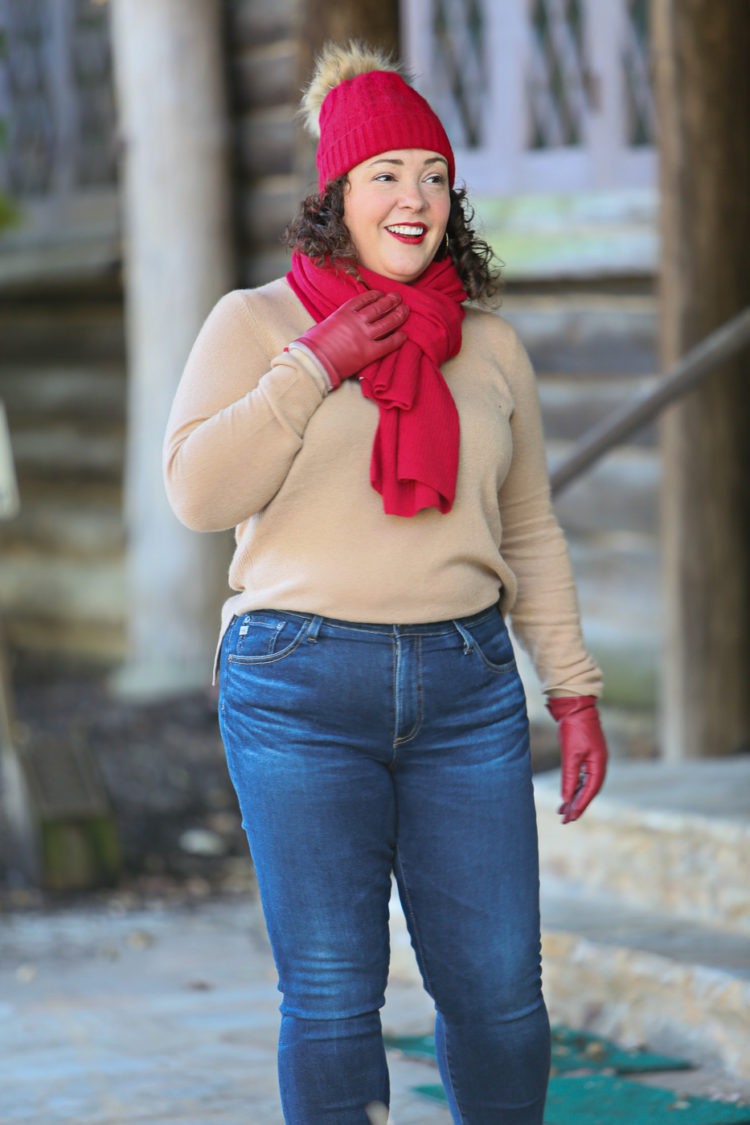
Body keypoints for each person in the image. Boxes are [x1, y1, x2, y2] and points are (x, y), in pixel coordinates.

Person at [163, 41, 607, 1125]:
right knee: (329, 997)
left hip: (465, 687)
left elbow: (532, 528)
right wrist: (314, 365)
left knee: (502, 994)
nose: (413, 199)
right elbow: (196, 493)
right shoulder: (255, 322)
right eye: (384, 175)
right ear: (336, 195)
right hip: (296, 687)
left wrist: (575, 688)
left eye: (433, 176)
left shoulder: (492, 348)